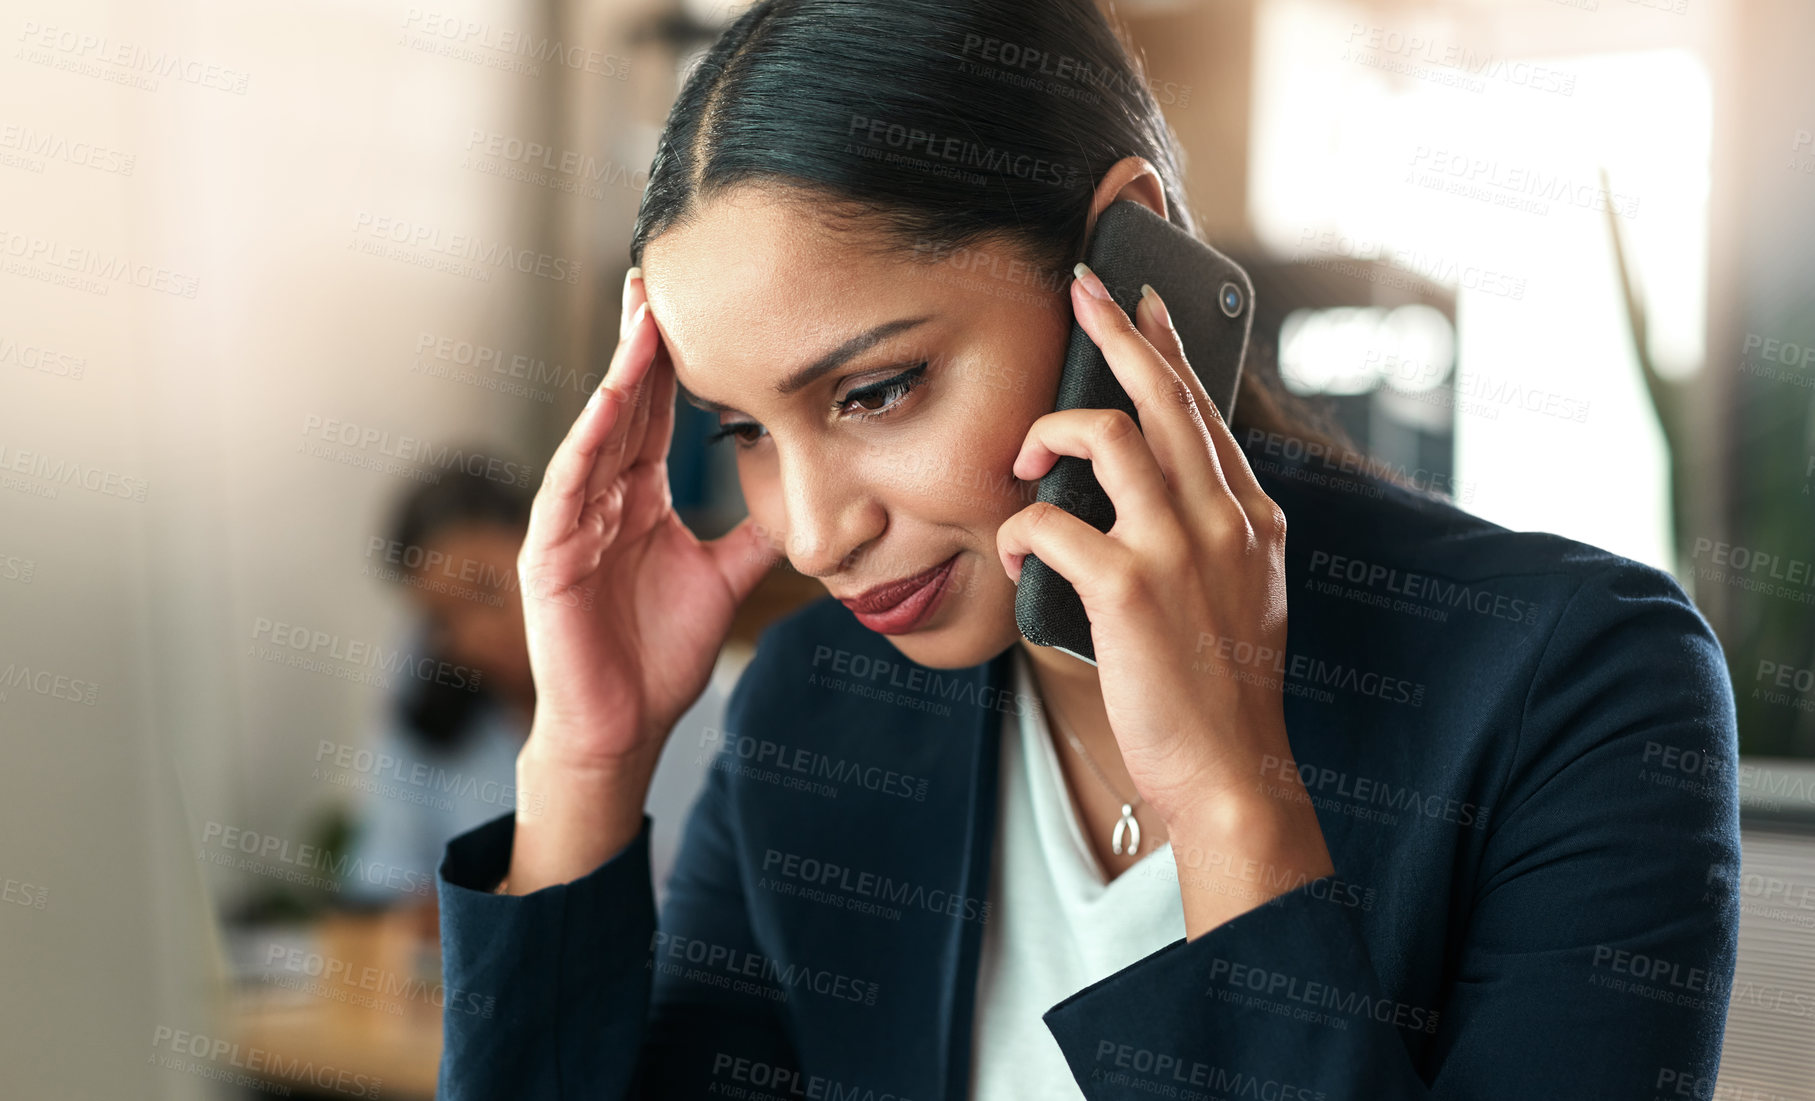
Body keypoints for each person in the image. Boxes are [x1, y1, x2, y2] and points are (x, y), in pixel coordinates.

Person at [433, 1, 1742, 1097]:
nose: (815, 531)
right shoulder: (818, 706)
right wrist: (585, 763)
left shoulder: (1587, 692)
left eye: (876, 390)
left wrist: (1231, 799)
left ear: (1127, 262)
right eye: (744, 430)